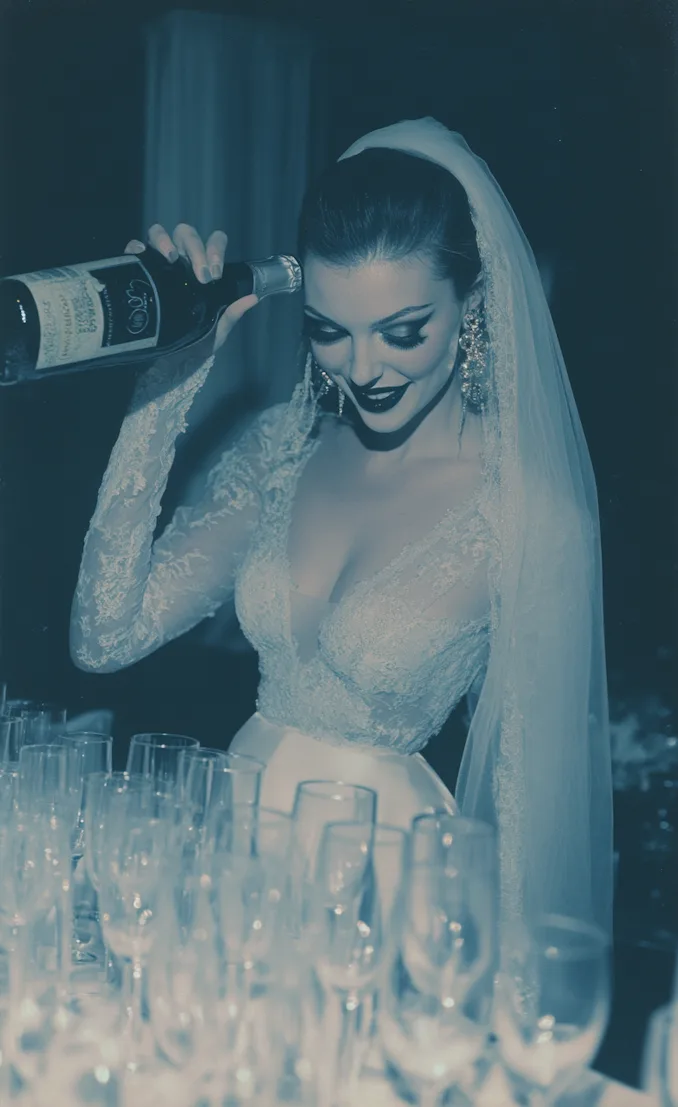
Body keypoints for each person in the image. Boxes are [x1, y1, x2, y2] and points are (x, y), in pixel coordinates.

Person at [70, 117, 613, 936]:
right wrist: (170, 375)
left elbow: (532, 809)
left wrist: (502, 1011)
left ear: (470, 304)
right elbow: (103, 637)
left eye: (402, 331)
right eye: (330, 332)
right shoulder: (278, 448)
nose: (363, 369)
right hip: (225, 864)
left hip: (384, 896)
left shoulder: (532, 515)